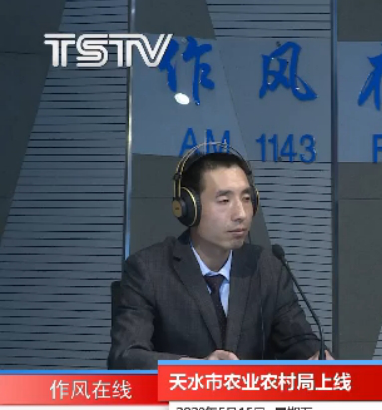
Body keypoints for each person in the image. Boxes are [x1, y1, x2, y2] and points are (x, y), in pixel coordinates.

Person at [108, 143, 332, 369]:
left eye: (246, 199)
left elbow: (298, 341)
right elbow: (126, 356)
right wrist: (196, 369)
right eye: (224, 201)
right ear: (189, 207)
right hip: (180, 392)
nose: (241, 214)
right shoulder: (149, 270)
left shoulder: (266, 267)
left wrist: (317, 356)